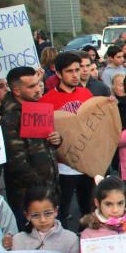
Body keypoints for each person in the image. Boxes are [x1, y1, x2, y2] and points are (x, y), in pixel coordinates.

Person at [0, 67, 62, 229]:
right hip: (28, 198)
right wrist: (41, 187)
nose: (38, 89)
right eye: (31, 86)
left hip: (48, 191)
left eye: (38, 84)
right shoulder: (10, 119)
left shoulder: (37, 109)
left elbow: (45, 147)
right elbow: (17, 162)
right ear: (17, 91)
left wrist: (56, 140)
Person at [40, 53, 95, 222]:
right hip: (64, 166)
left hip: (86, 163)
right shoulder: (46, 101)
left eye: (77, 70)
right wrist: (51, 141)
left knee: (89, 208)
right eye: (69, 71)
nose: (75, 74)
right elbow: (41, 138)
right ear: (58, 74)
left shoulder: (86, 94)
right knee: (62, 210)